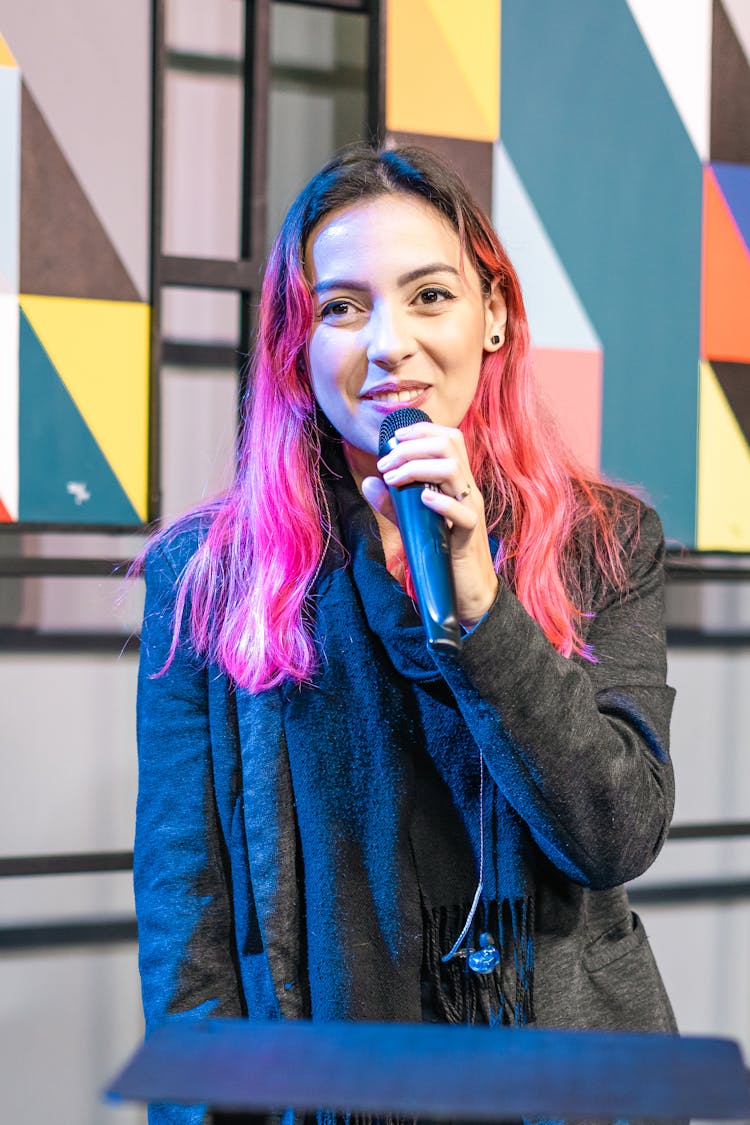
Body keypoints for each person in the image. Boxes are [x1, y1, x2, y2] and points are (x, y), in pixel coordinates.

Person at [134, 145, 677, 1124]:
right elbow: (191, 932)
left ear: (494, 313)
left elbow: (616, 832)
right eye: (342, 307)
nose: (389, 343)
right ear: (295, 345)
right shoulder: (209, 576)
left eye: (430, 295)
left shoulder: (602, 540)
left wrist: (479, 607)